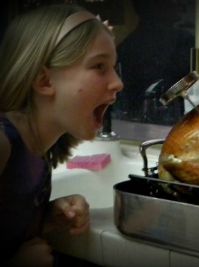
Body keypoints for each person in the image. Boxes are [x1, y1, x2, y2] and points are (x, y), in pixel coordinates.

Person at [0, 4, 123, 266]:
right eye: (100, 66)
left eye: (113, 67)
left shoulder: (39, 151)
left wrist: (47, 217)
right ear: (44, 81)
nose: (118, 83)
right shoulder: (3, 145)